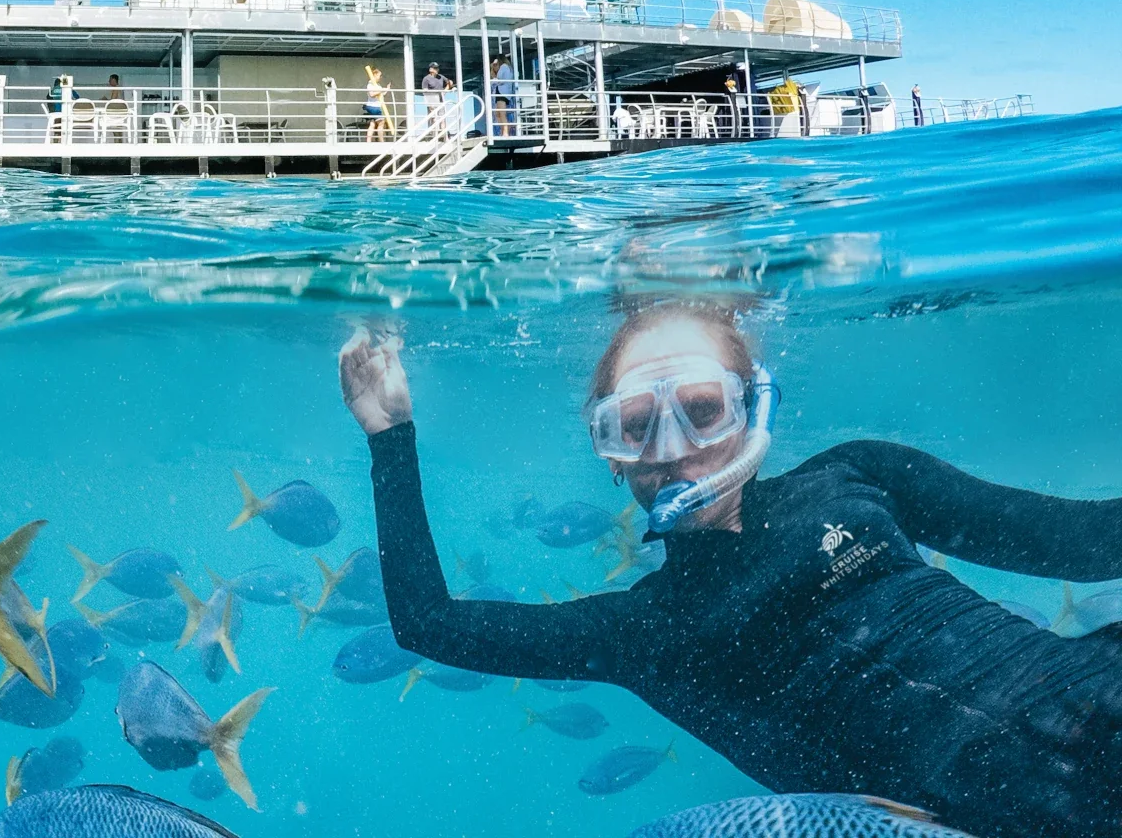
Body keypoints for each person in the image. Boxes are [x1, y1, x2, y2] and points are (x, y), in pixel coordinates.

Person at [339, 309, 1122, 838]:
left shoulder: (855, 475)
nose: (675, 448)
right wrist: (389, 433)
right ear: (611, 457)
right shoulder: (638, 631)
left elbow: (1090, 543)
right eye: (636, 426)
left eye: (702, 408)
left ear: (753, 410)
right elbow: (430, 624)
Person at [363, 66, 389, 142]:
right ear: (375, 75)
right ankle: (381, 141)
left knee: (373, 123)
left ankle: (368, 141)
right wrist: (381, 90)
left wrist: (387, 89)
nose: (380, 77)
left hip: (374, 106)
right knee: (381, 123)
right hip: (374, 106)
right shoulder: (370, 84)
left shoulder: (378, 85)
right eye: (379, 75)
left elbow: (381, 95)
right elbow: (371, 94)